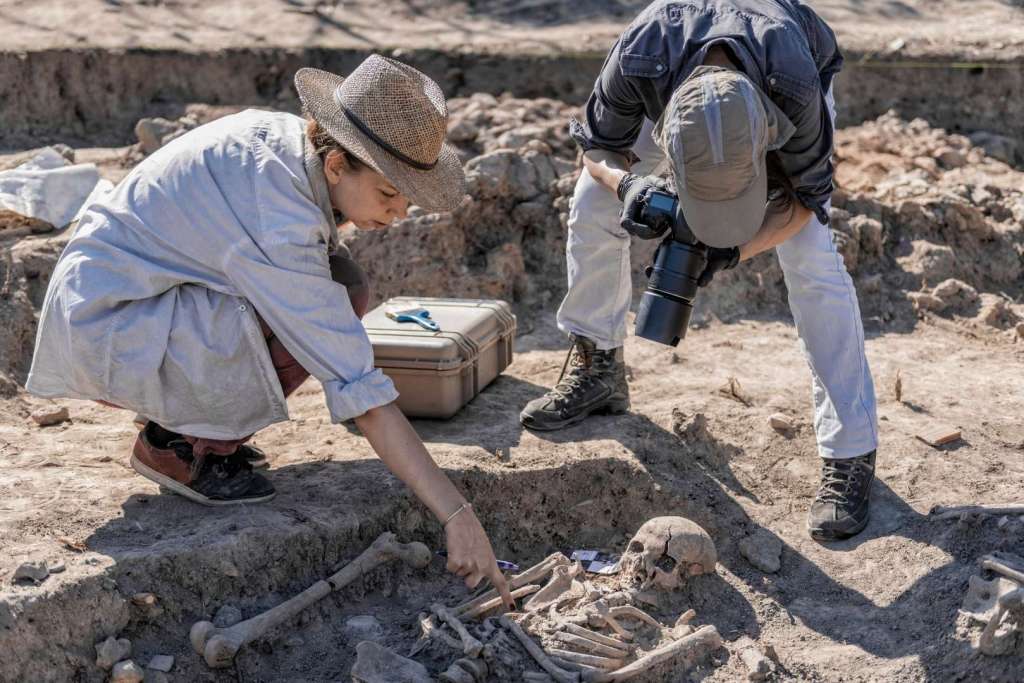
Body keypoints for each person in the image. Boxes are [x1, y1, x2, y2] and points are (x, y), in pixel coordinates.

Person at [27, 55, 513, 604]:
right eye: (386, 194)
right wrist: (457, 513)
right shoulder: (277, 216)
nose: (399, 213)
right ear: (336, 165)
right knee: (313, 313)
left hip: (134, 298)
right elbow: (360, 391)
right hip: (107, 322)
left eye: (406, 197)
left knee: (342, 285)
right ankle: (178, 447)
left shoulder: (289, 144)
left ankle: (195, 425)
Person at [520, 0, 879, 541]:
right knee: (591, 205)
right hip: (675, 85)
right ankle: (598, 368)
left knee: (811, 256)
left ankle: (850, 450)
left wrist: (734, 250)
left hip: (775, 79)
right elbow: (598, 147)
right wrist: (630, 185)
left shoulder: (796, 89)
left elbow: (806, 199)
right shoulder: (640, 55)